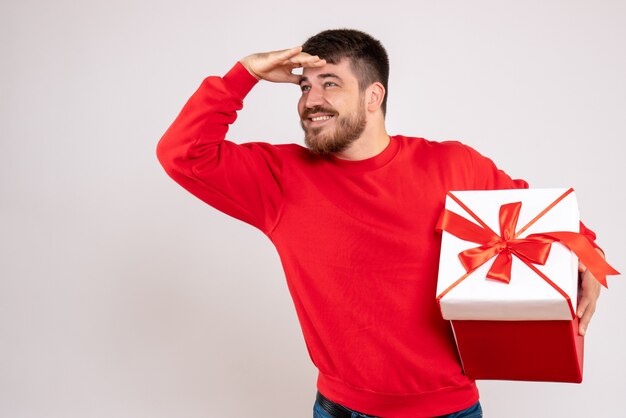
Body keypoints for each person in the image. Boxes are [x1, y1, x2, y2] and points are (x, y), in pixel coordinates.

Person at [156, 29, 603, 418]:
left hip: (448, 412)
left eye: (329, 84)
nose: (312, 100)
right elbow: (181, 154)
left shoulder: (451, 164)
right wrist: (244, 74)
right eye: (304, 87)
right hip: (337, 409)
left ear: (374, 96)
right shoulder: (280, 179)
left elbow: (540, 216)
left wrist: (589, 257)